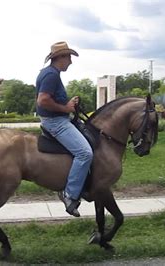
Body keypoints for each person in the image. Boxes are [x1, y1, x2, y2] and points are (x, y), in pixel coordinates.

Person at [35, 41, 93, 217]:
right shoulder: (51, 75)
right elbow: (43, 100)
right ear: (60, 57)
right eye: (68, 57)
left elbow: (50, 99)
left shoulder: (50, 73)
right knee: (85, 153)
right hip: (56, 122)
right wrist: (66, 108)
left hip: (58, 119)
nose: (70, 61)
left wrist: (68, 104)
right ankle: (69, 194)